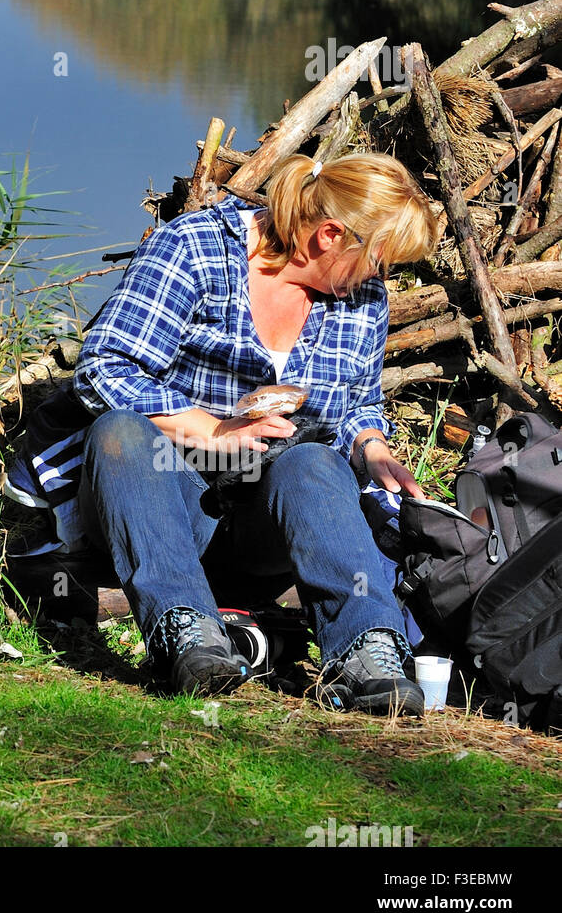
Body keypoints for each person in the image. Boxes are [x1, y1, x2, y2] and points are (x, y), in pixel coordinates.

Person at [70, 152, 439, 714]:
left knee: (313, 463)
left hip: (263, 528)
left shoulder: (363, 303)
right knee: (118, 432)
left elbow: (359, 402)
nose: (380, 277)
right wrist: (209, 429)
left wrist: (373, 448)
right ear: (329, 236)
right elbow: (103, 368)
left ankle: (366, 652)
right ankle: (185, 633)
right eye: (379, 259)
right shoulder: (195, 250)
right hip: (165, 508)